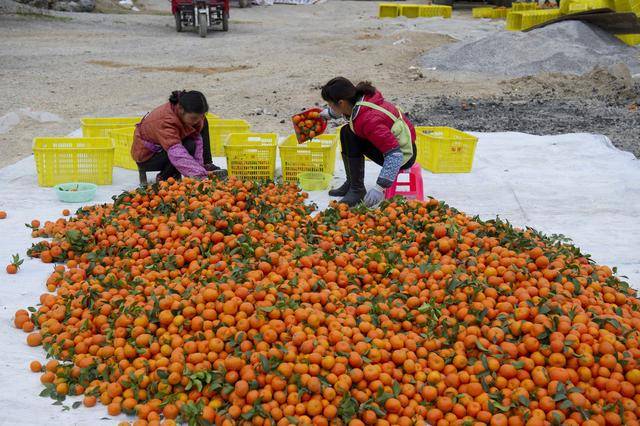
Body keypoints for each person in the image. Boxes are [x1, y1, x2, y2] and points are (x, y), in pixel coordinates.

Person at [319, 77, 417, 207]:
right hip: (397, 144)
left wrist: (379, 188)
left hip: (404, 155)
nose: (329, 107)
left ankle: (357, 189)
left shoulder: (369, 120)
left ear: (341, 102)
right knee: (346, 132)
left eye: (330, 104)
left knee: (351, 136)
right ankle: (352, 183)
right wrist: (330, 114)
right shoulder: (359, 99)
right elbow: (347, 111)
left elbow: (395, 155)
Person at [131, 90, 225, 182]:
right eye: (194, 118)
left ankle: (205, 165)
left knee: (202, 124)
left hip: (166, 147)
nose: (197, 121)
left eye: (201, 116)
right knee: (189, 145)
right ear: (181, 110)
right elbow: (175, 152)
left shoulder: (187, 113)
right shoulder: (165, 120)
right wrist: (198, 174)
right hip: (148, 157)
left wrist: (200, 167)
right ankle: (164, 176)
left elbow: (197, 140)